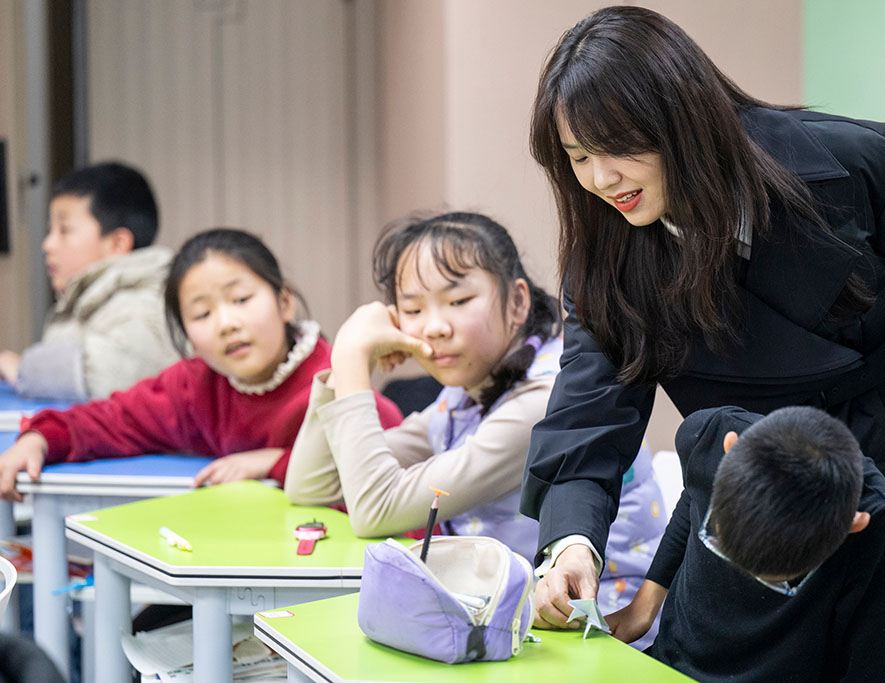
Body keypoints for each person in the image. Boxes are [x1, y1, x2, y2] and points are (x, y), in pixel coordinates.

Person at [521, 7, 885, 681]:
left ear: (683, 117)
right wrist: (571, 542)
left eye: (618, 147)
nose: (603, 179)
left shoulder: (848, 162)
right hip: (776, 527)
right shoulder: (606, 266)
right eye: (579, 158)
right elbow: (588, 418)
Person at [285, 211, 666, 638]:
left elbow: (375, 510)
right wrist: (345, 368)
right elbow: (310, 485)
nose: (434, 327)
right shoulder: (464, 395)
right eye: (413, 308)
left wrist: (351, 358)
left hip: (600, 633)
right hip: (519, 626)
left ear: (517, 301)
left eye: (458, 301)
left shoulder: (544, 400)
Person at [0, 228, 402, 500]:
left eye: (241, 299)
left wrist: (275, 462)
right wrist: (41, 438)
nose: (227, 323)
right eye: (202, 313)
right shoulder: (193, 386)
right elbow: (113, 420)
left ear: (284, 303)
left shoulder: (333, 376)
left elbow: (391, 462)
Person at [608, 406, 885, 681]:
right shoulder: (706, 436)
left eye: (776, 583)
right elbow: (693, 496)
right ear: (729, 450)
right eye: (718, 542)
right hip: (670, 666)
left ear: (851, 526)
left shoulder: (879, 529)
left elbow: (872, 670)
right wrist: (644, 605)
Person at [0, 161, 178, 400]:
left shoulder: (147, 302)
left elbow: (102, 375)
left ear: (117, 243)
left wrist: (21, 369)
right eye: (50, 231)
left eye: (64, 230)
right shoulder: (84, 301)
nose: (48, 244)